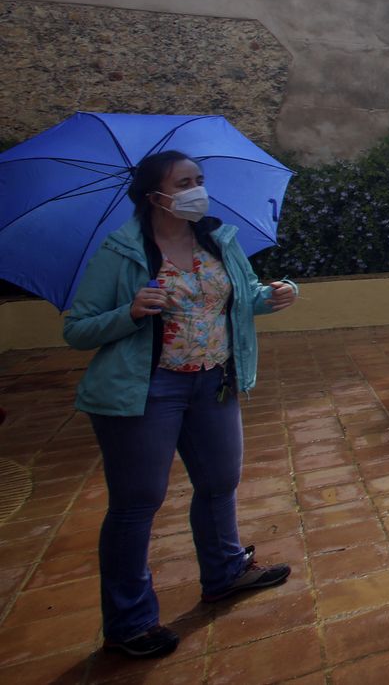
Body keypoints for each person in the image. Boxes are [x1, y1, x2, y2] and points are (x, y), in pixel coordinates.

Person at [63, 150, 299, 659]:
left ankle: (225, 572)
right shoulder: (123, 251)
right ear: (156, 196)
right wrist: (129, 312)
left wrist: (276, 293)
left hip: (213, 382)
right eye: (185, 182)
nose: (198, 189)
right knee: (136, 505)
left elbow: (240, 295)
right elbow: (77, 329)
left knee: (219, 484)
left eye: (200, 179)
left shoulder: (217, 239)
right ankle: (130, 622)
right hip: (146, 390)